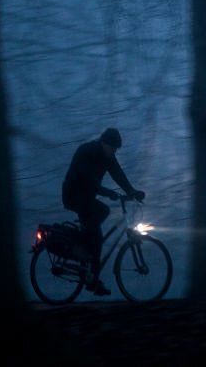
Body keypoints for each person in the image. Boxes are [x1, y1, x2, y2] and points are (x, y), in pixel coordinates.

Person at [62, 127, 145, 296]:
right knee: (97, 236)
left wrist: (132, 191)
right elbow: (87, 181)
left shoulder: (108, 157)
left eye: (116, 149)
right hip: (73, 195)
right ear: (104, 143)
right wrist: (109, 193)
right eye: (113, 148)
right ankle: (92, 276)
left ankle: (87, 246)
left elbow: (118, 174)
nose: (114, 152)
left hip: (86, 197)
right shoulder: (87, 152)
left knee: (102, 214)